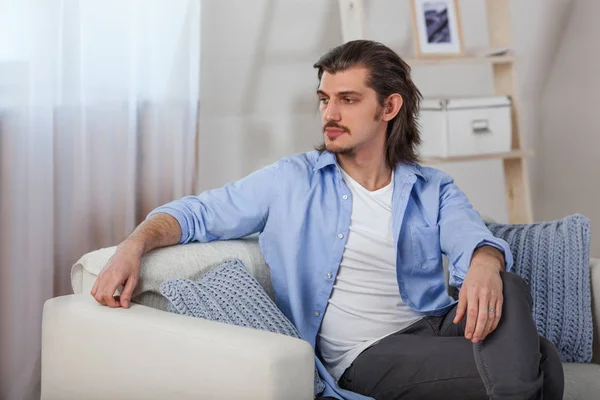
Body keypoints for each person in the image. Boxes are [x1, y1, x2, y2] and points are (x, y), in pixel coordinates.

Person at [91, 40, 564, 400]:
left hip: (436, 325)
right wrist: (132, 246)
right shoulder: (290, 180)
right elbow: (194, 214)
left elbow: (470, 235)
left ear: (389, 106)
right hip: (366, 354)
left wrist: (483, 260)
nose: (329, 114)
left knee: (512, 288)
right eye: (324, 98)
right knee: (541, 362)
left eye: (348, 100)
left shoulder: (430, 187)